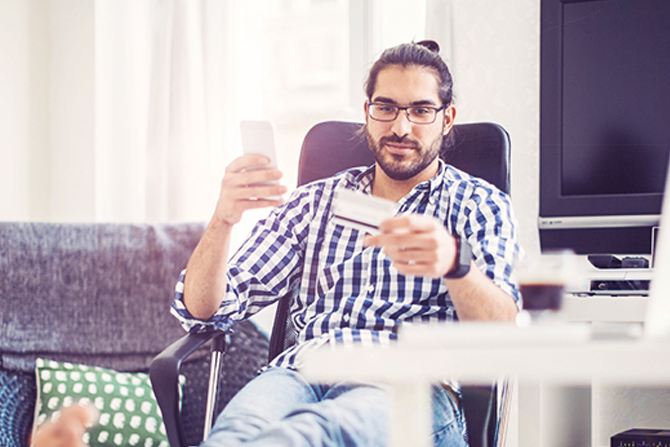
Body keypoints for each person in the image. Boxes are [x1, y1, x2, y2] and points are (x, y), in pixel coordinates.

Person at [172, 40, 521, 447]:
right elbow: (202, 313)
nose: (401, 128)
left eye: (421, 111)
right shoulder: (314, 202)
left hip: (409, 382)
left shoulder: (479, 204)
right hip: (302, 373)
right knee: (233, 436)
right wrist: (223, 220)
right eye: (386, 108)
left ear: (447, 119)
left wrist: (455, 263)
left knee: (311, 434)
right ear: (367, 113)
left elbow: (503, 335)